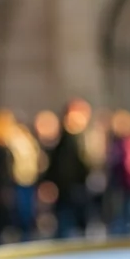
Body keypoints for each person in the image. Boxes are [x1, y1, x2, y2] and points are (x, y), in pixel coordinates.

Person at [46, 99, 93, 238]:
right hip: (68, 189)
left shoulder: (83, 136)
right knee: (65, 224)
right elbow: (62, 165)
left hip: (79, 187)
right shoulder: (66, 138)